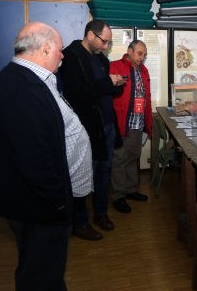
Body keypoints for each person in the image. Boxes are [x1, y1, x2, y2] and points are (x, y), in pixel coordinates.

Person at [0, 22, 93, 290]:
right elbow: (33, 159)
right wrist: (58, 201)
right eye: (59, 49)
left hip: (38, 202)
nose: (63, 54)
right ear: (46, 49)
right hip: (38, 206)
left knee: (41, 270)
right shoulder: (22, 88)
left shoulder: (29, 79)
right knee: (41, 276)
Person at [58, 19, 127, 240]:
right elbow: (78, 93)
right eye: (104, 42)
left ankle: (100, 213)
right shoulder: (71, 57)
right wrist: (107, 83)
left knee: (103, 172)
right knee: (81, 175)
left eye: (108, 42)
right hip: (85, 128)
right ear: (90, 35)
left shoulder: (101, 59)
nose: (106, 47)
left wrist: (115, 86)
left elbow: (104, 93)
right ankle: (80, 222)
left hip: (106, 125)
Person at [109, 40, 152, 213]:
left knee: (133, 156)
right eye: (139, 53)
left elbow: (145, 96)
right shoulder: (115, 67)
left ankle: (131, 190)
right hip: (122, 121)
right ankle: (118, 195)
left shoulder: (144, 70)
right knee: (119, 158)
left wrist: (148, 122)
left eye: (144, 54)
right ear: (129, 51)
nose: (142, 57)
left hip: (138, 122)